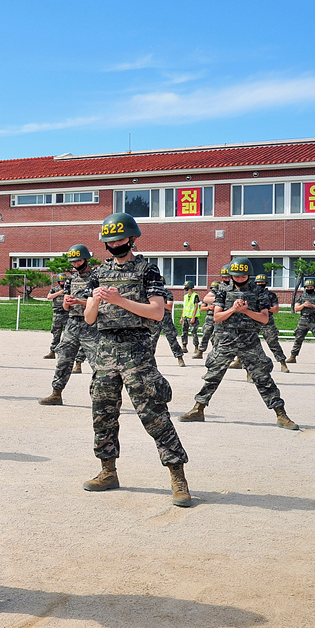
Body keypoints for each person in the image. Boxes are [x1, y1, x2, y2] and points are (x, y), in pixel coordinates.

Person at [82, 213, 191, 508]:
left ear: (131, 238)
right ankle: (107, 471)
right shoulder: (98, 272)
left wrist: (119, 300)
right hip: (105, 351)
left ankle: (178, 476)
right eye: (109, 241)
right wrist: (93, 301)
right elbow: (89, 319)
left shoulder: (147, 270)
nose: (114, 244)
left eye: (118, 239)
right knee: (102, 414)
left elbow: (157, 312)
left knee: (153, 414)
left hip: (136, 351)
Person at [179, 258, 300, 429]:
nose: (240, 278)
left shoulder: (259, 292)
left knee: (263, 378)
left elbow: (265, 319)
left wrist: (246, 311)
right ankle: (198, 409)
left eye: (243, 275)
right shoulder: (223, 291)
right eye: (236, 275)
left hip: (249, 340)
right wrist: (233, 309)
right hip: (227, 339)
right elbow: (217, 317)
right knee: (213, 375)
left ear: (248, 275)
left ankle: (281, 415)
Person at [40, 244, 99, 406]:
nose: (75, 265)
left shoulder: (97, 277)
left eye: (78, 261)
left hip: (91, 324)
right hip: (72, 323)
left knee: (97, 363)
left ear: (86, 259)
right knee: (63, 359)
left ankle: (101, 398)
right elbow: (65, 307)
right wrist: (67, 302)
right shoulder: (71, 279)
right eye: (73, 262)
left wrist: (79, 301)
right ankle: (56, 393)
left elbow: (99, 302)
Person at [254, 275, 290, 372]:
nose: (260, 284)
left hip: (267, 321)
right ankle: (240, 361)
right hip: (253, 320)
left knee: (273, 342)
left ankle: (283, 363)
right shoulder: (251, 294)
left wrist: (264, 307)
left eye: (262, 282)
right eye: (258, 282)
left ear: (266, 283)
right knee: (247, 342)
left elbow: (276, 309)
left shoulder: (271, 295)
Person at [195, 266, 232, 359]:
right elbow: (206, 298)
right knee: (207, 333)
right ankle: (201, 351)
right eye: (224, 277)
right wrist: (223, 299)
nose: (226, 279)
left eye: (228, 277)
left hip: (228, 316)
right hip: (214, 316)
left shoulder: (235, 287)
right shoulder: (219, 287)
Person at [156, 287, 187, 367]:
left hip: (166, 318)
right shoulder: (152, 293)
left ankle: (179, 357)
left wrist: (158, 303)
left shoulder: (167, 293)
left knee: (172, 339)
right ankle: (148, 361)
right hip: (155, 317)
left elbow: (169, 306)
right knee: (151, 340)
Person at [44, 273, 69, 358]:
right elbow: (49, 297)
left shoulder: (69, 289)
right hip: (57, 314)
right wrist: (59, 293)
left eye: (64, 281)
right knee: (56, 334)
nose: (63, 283)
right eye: (61, 281)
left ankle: (65, 352)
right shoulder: (55, 289)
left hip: (67, 314)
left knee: (68, 335)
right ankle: (52, 351)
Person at [179, 281, 200, 354]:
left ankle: (196, 347)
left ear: (190, 288)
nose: (185, 289)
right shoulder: (185, 297)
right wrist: (181, 317)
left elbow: (196, 307)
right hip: (185, 317)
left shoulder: (195, 296)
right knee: (184, 332)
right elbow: (184, 307)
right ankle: (184, 346)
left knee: (194, 332)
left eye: (186, 288)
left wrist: (193, 317)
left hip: (192, 317)